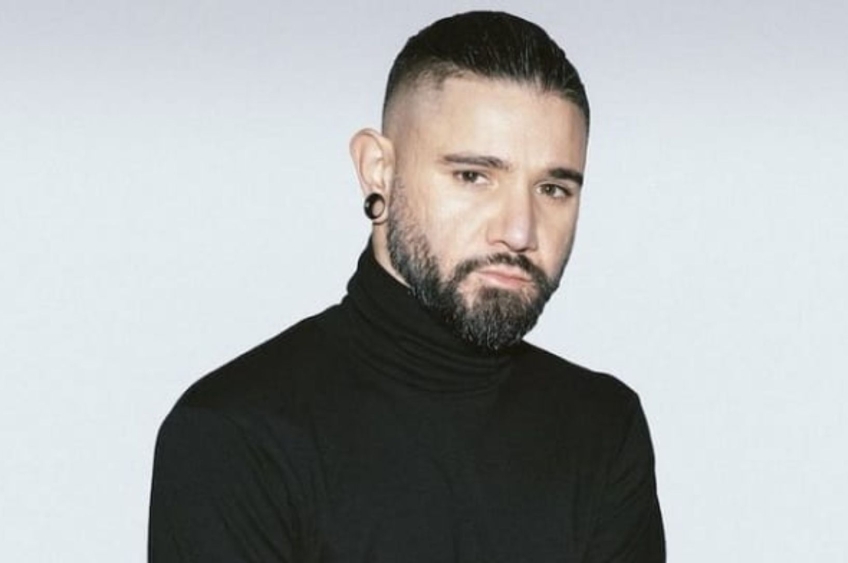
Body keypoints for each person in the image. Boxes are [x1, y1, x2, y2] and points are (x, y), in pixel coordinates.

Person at [148, 10, 665, 562]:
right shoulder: (236, 433)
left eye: (553, 189)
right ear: (378, 171)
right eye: (473, 176)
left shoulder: (603, 428)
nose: (520, 231)